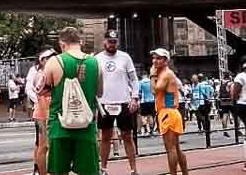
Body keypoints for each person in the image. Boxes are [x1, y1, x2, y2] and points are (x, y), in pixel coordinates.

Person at [42, 27, 102, 175]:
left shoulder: (54, 62)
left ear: (62, 43)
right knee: (88, 171)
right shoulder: (95, 63)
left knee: (58, 171)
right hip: (86, 126)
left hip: (60, 125)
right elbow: (99, 92)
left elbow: (42, 90)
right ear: (80, 42)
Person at [94, 29, 140, 175]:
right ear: (104, 42)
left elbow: (134, 79)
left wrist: (134, 97)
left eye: (114, 42)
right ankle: (103, 169)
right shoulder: (97, 59)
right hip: (104, 102)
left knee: (127, 135)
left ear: (117, 42)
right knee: (105, 136)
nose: (112, 45)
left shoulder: (125, 57)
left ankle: (133, 169)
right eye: (109, 42)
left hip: (123, 101)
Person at [149, 48, 188, 175]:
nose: (155, 61)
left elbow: (155, 90)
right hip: (170, 112)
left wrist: (152, 75)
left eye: (158, 58)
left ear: (166, 61)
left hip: (168, 113)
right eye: (154, 58)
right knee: (175, 148)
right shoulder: (167, 73)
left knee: (171, 148)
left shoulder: (165, 74)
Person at [32, 49, 55, 175]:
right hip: (43, 112)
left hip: (50, 111)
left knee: (50, 145)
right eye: (48, 57)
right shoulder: (41, 74)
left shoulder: (50, 72)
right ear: (42, 61)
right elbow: (39, 93)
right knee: (44, 145)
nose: (52, 59)